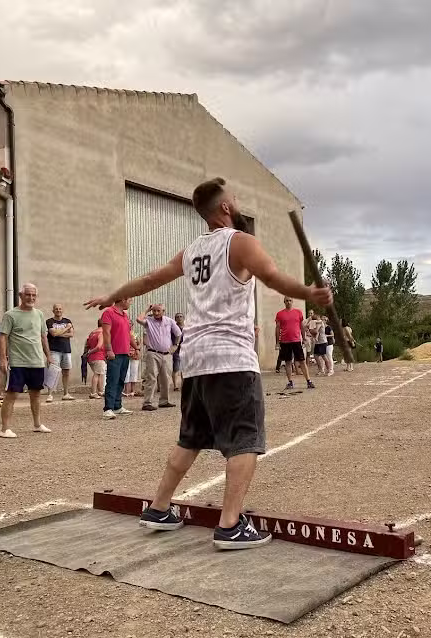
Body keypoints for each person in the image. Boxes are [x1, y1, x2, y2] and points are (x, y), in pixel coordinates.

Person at [84, 176, 333, 549]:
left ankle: (158, 508)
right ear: (226, 208)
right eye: (234, 196)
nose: (237, 199)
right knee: (244, 440)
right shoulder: (241, 242)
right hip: (231, 357)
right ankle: (231, 525)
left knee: (191, 437)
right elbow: (273, 277)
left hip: (196, 357)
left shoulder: (192, 251)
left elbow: (152, 278)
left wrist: (112, 295)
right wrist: (308, 293)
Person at [0, 283, 52, 438]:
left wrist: (48, 355)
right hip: (18, 362)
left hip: (36, 361)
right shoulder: (10, 315)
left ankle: (37, 424)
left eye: (34, 295)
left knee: (36, 393)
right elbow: (3, 337)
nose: (31, 298)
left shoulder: (39, 314)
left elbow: (43, 336)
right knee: (12, 394)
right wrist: (3, 359)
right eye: (28, 294)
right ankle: (4, 429)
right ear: (21, 296)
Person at [137, 304, 182, 411]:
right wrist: (147, 309)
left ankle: (164, 401)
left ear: (163, 311)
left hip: (166, 354)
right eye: (154, 311)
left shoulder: (169, 321)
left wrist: (175, 345)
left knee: (166, 379)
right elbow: (138, 319)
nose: (156, 313)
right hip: (153, 353)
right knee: (151, 378)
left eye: (158, 311)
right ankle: (147, 402)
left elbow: (178, 334)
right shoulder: (148, 321)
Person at [100, 299, 139, 420]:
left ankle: (117, 406)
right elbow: (106, 333)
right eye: (129, 300)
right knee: (112, 380)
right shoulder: (108, 312)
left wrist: (136, 347)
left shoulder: (125, 315)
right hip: (114, 353)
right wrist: (109, 350)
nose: (130, 303)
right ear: (123, 300)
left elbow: (128, 334)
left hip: (125, 353)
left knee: (121, 380)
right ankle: (108, 409)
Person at [276, 297, 315, 389]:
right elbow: (277, 328)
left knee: (302, 361)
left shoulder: (298, 312)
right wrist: (277, 342)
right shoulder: (280, 314)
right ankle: (290, 382)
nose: (288, 302)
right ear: (284, 302)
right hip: (285, 341)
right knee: (288, 362)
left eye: (290, 300)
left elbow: (301, 326)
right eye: (286, 301)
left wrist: (304, 338)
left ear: (292, 302)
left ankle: (308, 381)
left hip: (296, 340)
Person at [45, 304, 75, 403]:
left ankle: (66, 393)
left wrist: (59, 333)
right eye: (56, 309)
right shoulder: (49, 321)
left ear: (63, 310)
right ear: (53, 310)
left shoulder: (68, 321)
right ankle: (50, 394)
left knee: (66, 372)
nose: (58, 310)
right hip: (54, 350)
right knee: (53, 371)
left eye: (60, 309)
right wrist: (66, 329)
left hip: (66, 350)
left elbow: (71, 334)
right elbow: (53, 333)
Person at [85, 320, 105, 399]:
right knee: (97, 374)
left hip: (91, 358)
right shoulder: (102, 333)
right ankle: (93, 392)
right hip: (98, 356)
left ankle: (100, 391)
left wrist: (88, 352)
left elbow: (87, 344)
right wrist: (91, 351)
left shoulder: (92, 333)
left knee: (98, 373)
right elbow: (99, 346)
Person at [172, 312, 185, 391]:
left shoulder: (187, 328)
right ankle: (175, 386)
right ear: (175, 319)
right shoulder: (173, 328)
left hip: (185, 350)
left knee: (184, 369)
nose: (179, 318)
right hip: (176, 350)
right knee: (176, 368)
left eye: (181, 316)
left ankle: (183, 384)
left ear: (183, 318)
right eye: (177, 317)